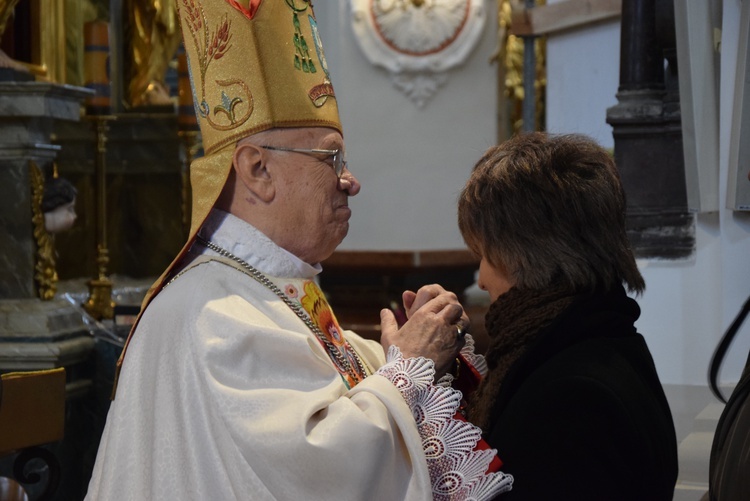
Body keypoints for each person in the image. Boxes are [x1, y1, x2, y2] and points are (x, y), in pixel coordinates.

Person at [85, 2, 511, 500]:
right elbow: (321, 469)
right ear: (256, 170)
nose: (349, 180)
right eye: (331, 157)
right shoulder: (215, 314)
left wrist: (413, 354)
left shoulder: (267, 286)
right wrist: (409, 366)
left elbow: (327, 390)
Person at [457, 132, 679, 500]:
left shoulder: (572, 395)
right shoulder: (602, 341)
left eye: (484, 253)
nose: (481, 279)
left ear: (522, 253)